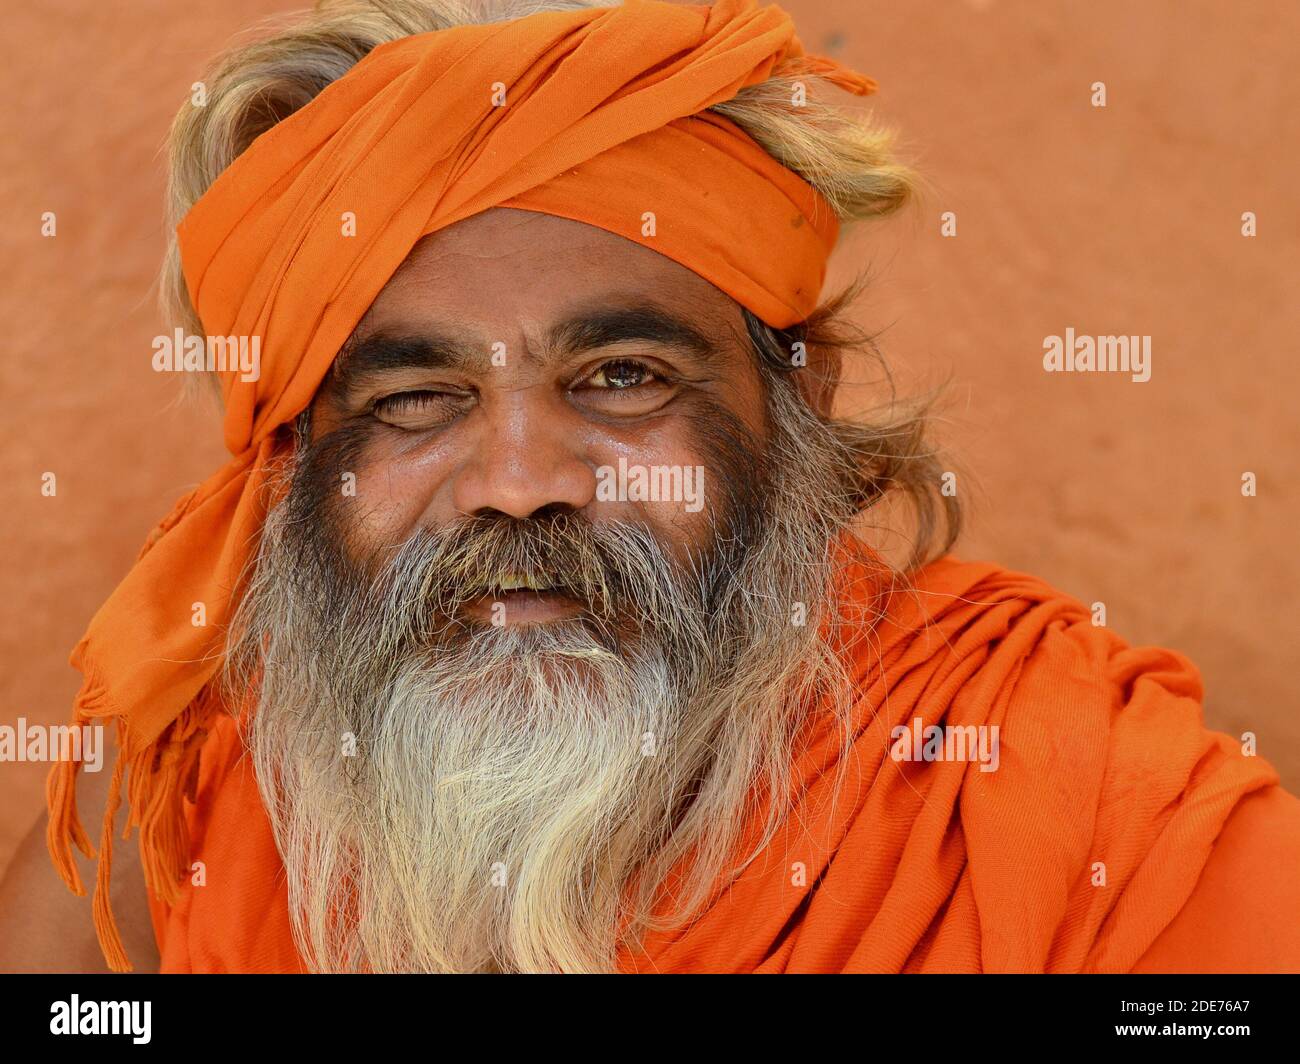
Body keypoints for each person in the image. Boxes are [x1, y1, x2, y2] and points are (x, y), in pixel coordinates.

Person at [3, 0, 1298, 974]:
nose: (517, 485)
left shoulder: (1079, 816)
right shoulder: (206, 790)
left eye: (621, 375)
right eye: (410, 398)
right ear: (293, 463)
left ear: (802, 394)